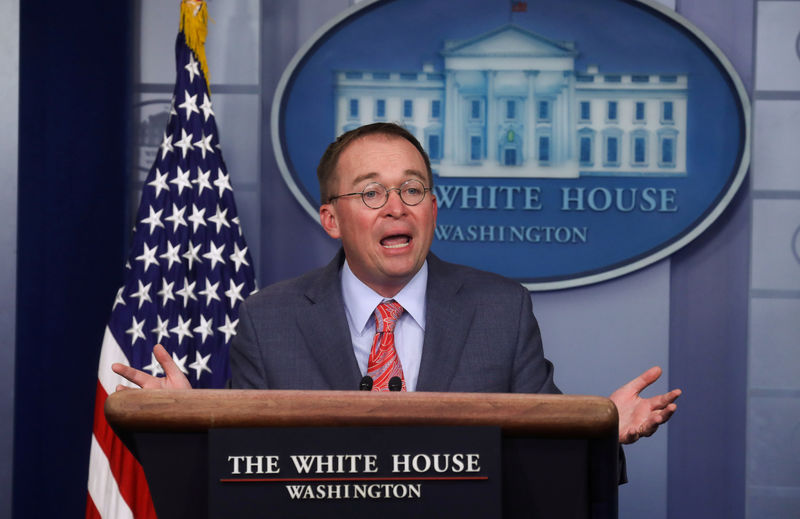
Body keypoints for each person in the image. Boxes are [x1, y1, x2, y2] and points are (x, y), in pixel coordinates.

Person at [114, 122, 680, 447]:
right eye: (370, 193)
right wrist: (186, 426)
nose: (395, 208)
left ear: (433, 208)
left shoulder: (500, 309)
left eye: (412, 190)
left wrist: (604, 428)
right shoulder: (271, 318)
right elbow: (244, 461)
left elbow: (543, 450)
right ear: (331, 219)